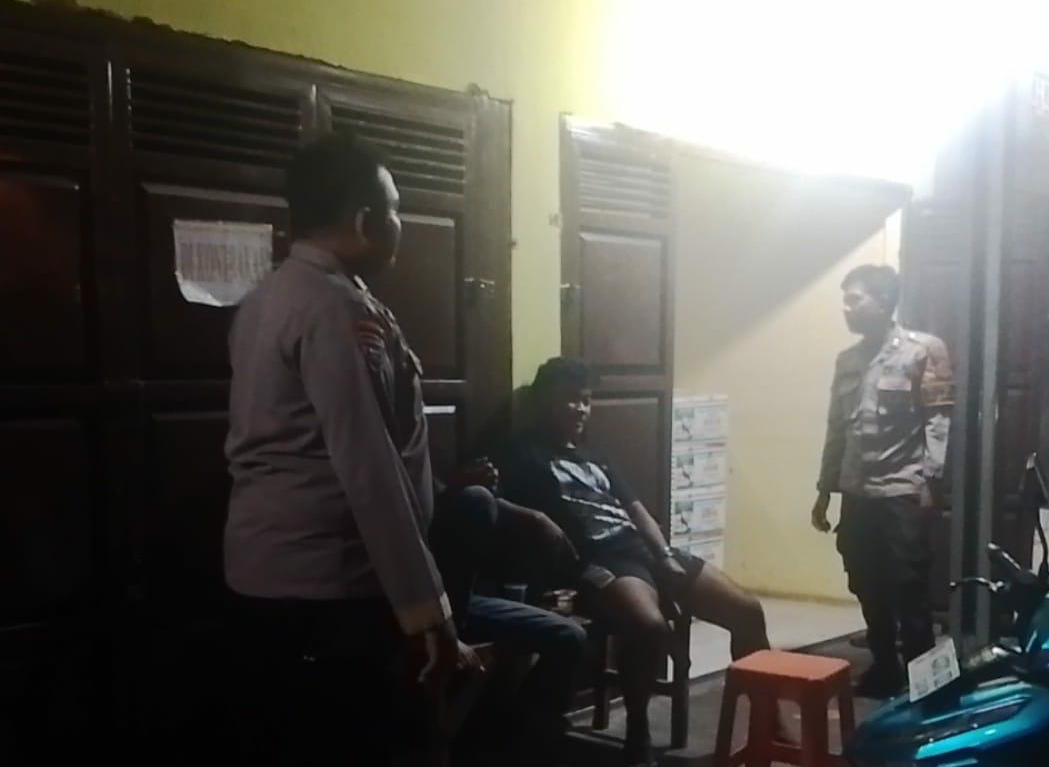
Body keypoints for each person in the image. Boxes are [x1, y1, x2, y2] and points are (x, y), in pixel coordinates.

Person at [224, 134, 479, 765]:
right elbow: (371, 468)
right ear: (366, 221)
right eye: (395, 211)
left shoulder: (265, 298)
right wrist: (428, 613)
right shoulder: (335, 309)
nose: (400, 226)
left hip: (268, 577)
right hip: (328, 587)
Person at [499, 358, 773, 767]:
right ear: (545, 401)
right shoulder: (523, 452)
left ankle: (768, 722)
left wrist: (664, 555)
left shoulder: (596, 455)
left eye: (586, 400)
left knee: (747, 611)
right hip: (599, 560)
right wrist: (536, 518)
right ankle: (638, 731)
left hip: (643, 549)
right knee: (648, 626)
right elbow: (491, 499)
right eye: (570, 399)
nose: (581, 409)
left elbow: (635, 508)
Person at [810, 264, 954, 698]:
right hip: (858, 492)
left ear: (884, 301)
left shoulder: (923, 351)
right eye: (845, 301)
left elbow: (938, 421)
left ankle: (924, 681)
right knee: (865, 581)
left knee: (909, 587)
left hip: (902, 490)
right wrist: (825, 490)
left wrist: (931, 481)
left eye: (855, 300)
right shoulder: (847, 361)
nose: (847, 309)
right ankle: (885, 667)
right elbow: (837, 429)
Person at [430, 464, 587, 766]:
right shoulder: (380, 467)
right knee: (477, 499)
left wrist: (536, 517)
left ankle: (517, 737)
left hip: (464, 600)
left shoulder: (421, 460)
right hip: (421, 604)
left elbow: (439, 491)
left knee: (570, 636)